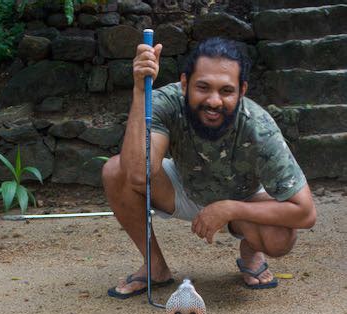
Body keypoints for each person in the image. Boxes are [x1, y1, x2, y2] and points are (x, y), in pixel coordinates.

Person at [103, 37, 316, 298]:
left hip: (244, 198)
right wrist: (139, 91)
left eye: (226, 91)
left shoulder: (259, 126)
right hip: (183, 186)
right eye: (203, 87)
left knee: (279, 238)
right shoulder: (165, 102)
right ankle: (155, 266)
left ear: (242, 90)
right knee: (115, 171)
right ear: (185, 84)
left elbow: (305, 213)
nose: (214, 101)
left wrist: (229, 208)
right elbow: (138, 174)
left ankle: (250, 249)